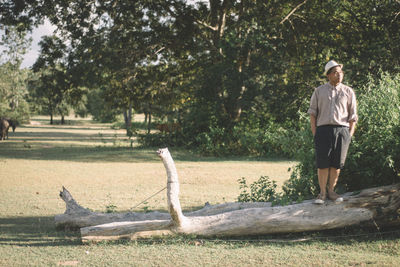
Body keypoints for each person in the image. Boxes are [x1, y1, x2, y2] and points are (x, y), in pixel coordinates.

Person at [307, 60, 358, 204]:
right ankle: (322, 193)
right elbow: (312, 113)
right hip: (322, 130)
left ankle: (331, 191)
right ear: (328, 75)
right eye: (335, 72)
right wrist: (315, 132)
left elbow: (353, 116)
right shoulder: (319, 91)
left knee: (336, 164)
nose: (339, 75)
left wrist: (349, 134)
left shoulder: (348, 91)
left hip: (342, 130)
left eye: (340, 72)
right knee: (322, 163)